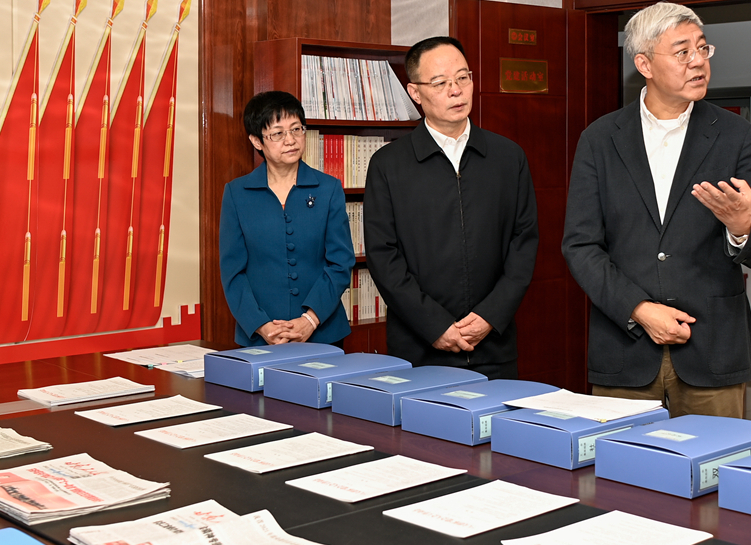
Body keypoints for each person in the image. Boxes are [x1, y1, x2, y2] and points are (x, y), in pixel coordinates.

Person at [563, 2, 751, 418]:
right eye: (682, 52)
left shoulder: (736, 136)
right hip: (624, 349)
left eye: (702, 48)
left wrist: (742, 227)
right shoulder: (600, 139)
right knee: (622, 460)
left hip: (713, 349)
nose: (698, 61)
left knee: (715, 459)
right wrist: (640, 310)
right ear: (644, 63)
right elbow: (580, 246)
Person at [362, 36, 538, 379]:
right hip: (419, 349)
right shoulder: (388, 164)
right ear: (415, 93)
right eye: (440, 83)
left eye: (462, 78)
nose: (456, 91)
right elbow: (383, 257)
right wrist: (435, 325)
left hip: (494, 347)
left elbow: (524, 244)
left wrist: (489, 316)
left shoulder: (507, 157)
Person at [219, 90, 353, 347]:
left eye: (296, 129)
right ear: (257, 141)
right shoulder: (237, 193)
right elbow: (232, 273)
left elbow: (340, 263)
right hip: (260, 336)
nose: (290, 140)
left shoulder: (328, 188)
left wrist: (310, 320)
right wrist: (262, 325)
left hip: (323, 333)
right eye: (278, 133)